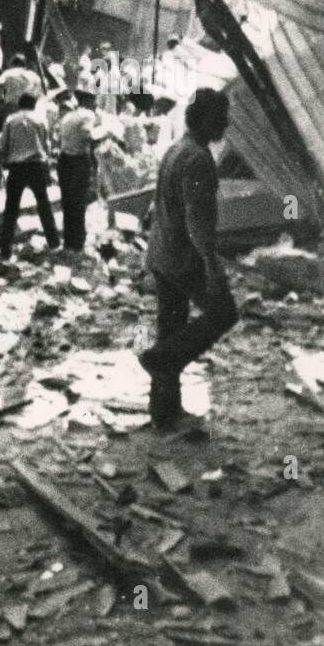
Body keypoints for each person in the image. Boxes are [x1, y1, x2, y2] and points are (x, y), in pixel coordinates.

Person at [138, 88, 238, 431]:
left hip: (162, 252)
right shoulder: (198, 158)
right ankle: (162, 362)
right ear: (205, 119)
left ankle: (163, 411)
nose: (226, 123)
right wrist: (212, 266)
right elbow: (198, 221)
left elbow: (156, 205)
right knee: (224, 312)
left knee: (170, 328)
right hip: (183, 257)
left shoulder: (175, 149)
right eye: (221, 117)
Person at [0, 91, 60, 258]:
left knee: (11, 208)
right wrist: (45, 165)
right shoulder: (40, 119)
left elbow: (3, 144)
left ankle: (5, 250)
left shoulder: (10, 120)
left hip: (16, 167)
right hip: (35, 166)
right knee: (44, 205)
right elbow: (46, 144)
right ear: (33, 104)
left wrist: (4, 162)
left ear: (19, 104)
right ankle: (54, 242)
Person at [57, 89, 97, 252]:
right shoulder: (88, 115)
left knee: (67, 201)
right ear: (87, 102)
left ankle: (68, 240)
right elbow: (90, 136)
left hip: (64, 159)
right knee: (79, 201)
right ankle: (78, 241)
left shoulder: (68, 116)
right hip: (78, 160)